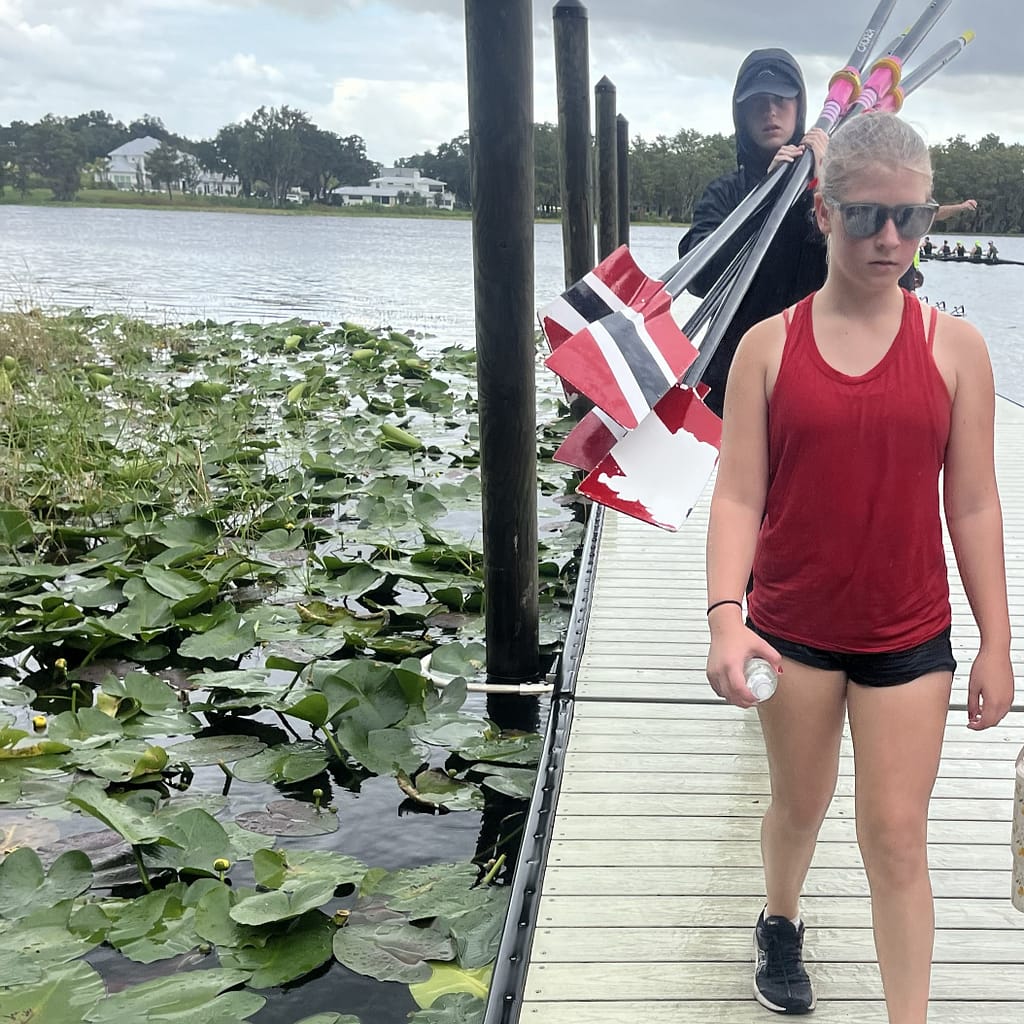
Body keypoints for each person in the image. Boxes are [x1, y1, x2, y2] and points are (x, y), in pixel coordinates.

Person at [704, 113, 1013, 1020]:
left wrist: (997, 641)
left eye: (911, 219)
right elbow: (738, 498)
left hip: (907, 634)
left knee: (896, 837)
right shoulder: (767, 347)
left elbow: (976, 503)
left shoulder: (956, 350)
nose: (891, 239)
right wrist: (729, 613)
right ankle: (780, 917)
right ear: (822, 211)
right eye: (868, 215)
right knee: (798, 807)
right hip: (792, 630)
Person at [678, 48, 828, 417]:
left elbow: (871, 273)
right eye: (757, 103)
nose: (770, 112)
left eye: (780, 100)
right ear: (740, 115)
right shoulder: (725, 193)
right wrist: (763, 196)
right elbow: (698, 279)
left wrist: (831, 187)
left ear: (799, 106)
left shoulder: (832, 191)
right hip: (732, 382)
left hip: (815, 379)